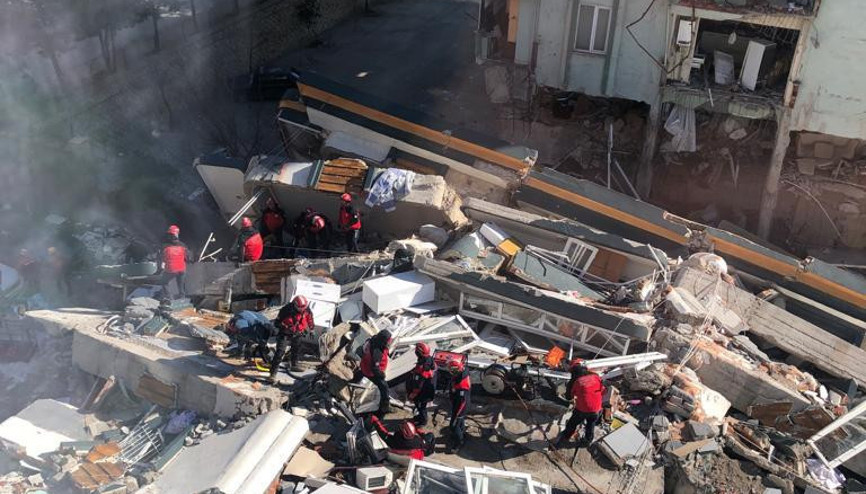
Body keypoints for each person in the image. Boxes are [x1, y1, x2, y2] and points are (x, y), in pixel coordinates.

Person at [555, 360, 605, 448]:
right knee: (590, 425)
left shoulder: (577, 382)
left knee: (572, 423)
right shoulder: (596, 377)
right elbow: (603, 391)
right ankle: (587, 441)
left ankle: (566, 436)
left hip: (582, 410)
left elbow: (569, 397)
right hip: (596, 409)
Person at [270, 295, 314, 381]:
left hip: (298, 333)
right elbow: (277, 323)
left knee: (296, 349)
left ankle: (294, 365)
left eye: (303, 307)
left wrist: (312, 329)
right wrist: (286, 327)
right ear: (295, 304)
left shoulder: (306, 309)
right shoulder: (286, 310)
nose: (302, 309)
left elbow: (310, 319)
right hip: (285, 334)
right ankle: (273, 373)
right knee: (280, 352)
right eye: (300, 307)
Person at [369, 417, 435, 460]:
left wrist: (376, 422)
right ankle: (430, 452)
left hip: (404, 454)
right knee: (431, 435)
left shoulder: (395, 442)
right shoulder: (418, 442)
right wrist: (422, 434)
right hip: (417, 455)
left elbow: (383, 433)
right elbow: (425, 443)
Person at [359, 329, 392, 416]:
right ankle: (384, 408)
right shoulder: (377, 353)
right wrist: (382, 375)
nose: (389, 342)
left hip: (364, 365)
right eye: (388, 341)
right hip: (370, 371)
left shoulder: (373, 339)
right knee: (384, 388)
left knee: (360, 373)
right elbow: (375, 369)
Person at [406, 343, 437, 426]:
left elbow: (419, 383)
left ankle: (423, 421)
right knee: (420, 406)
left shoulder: (422, 369)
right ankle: (420, 416)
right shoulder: (429, 360)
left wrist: (414, 393)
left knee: (421, 406)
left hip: (422, 393)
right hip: (425, 391)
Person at [157, 225, 191, 300]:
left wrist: (159, 270)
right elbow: (188, 258)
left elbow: (160, 259)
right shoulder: (183, 245)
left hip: (171, 270)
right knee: (181, 286)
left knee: (164, 282)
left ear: (169, 235)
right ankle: (182, 299)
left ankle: (168, 298)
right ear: (177, 234)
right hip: (182, 270)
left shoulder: (164, 246)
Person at [447, 358, 471, 452]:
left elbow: (463, 401)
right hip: (458, 403)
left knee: (455, 425)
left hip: (461, 406)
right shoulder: (462, 373)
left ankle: (458, 442)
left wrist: (458, 414)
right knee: (460, 422)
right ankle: (461, 433)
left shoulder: (462, 385)